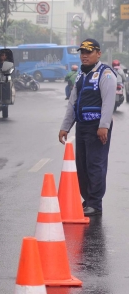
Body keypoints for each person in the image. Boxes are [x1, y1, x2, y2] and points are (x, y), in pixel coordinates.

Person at [59, 38, 116, 217]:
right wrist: (65, 127)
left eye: (89, 52)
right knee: (82, 165)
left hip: (97, 127)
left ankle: (95, 204)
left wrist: (104, 126)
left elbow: (108, 102)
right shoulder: (81, 75)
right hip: (82, 126)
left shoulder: (105, 74)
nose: (84, 55)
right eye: (82, 52)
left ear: (98, 53)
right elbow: (73, 102)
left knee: (95, 165)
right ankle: (87, 200)